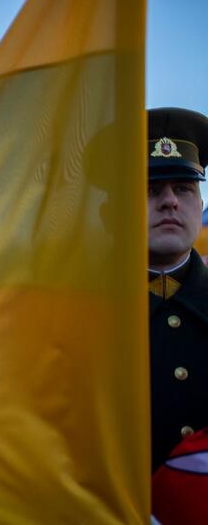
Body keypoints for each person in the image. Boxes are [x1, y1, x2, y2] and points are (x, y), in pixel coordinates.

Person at [146, 107, 208, 472]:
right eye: (150, 188)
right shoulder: (82, 316)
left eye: (184, 188)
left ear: (199, 206)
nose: (169, 200)